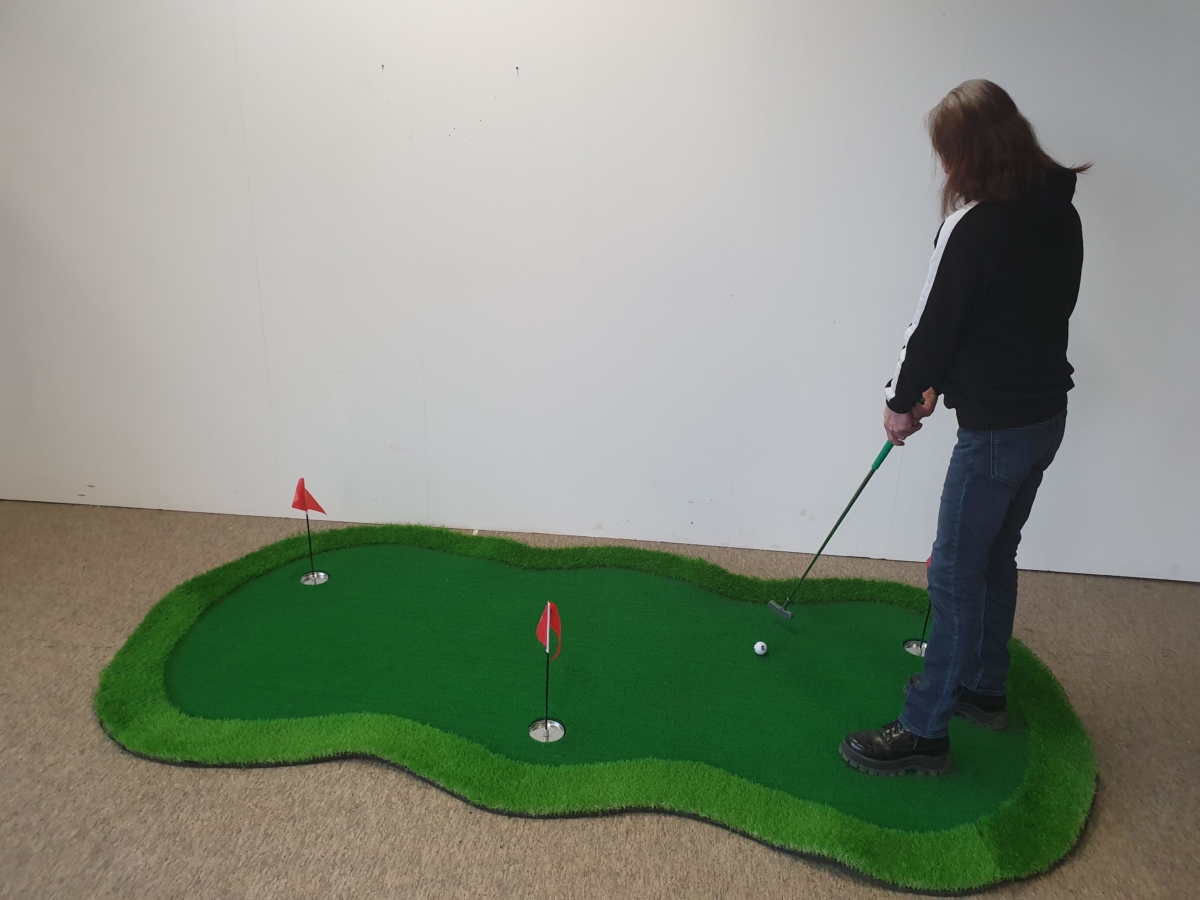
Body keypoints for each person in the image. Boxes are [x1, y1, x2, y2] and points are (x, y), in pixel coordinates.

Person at [840, 80, 1089, 776]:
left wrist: (901, 401)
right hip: (1045, 420)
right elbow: (1026, 314)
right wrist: (942, 383)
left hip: (997, 433)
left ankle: (925, 730)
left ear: (968, 153)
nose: (945, 167)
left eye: (947, 152)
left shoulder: (974, 224)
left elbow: (936, 324)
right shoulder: (1061, 214)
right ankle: (983, 687)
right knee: (995, 557)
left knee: (953, 572)